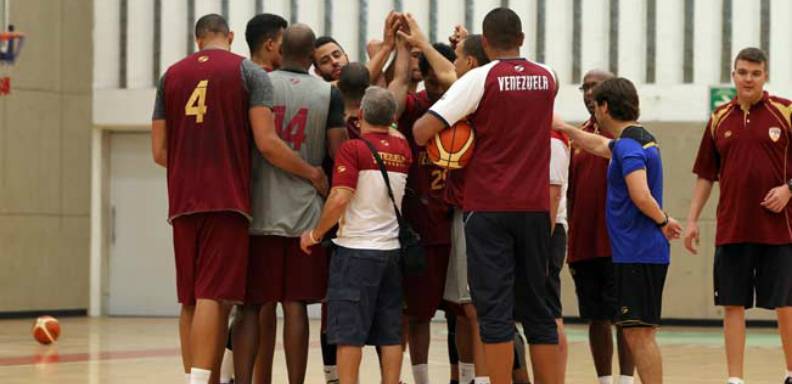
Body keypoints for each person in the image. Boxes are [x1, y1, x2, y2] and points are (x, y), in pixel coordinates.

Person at [151, 14, 325, 384]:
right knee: (214, 295)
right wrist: (311, 173)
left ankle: (196, 378)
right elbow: (267, 143)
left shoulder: (170, 75)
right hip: (227, 198)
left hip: (181, 201)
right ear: (229, 36)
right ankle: (201, 381)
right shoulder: (249, 73)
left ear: (197, 39)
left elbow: (159, 151)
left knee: (190, 299)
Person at [414, 8, 560, 384]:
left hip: (488, 208)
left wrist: (461, 131)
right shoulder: (549, 77)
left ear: (486, 41)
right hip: (533, 207)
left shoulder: (480, 78)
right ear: (522, 39)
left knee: (494, 311)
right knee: (539, 310)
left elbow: (421, 130)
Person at [234, 24, 346, 384]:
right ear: (312, 54)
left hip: (260, 208)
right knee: (295, 305)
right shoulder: (328, 95)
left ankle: (243, 378)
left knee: (251, 306)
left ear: (281, 50)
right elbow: (337, 152)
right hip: (305, 215)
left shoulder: (259, 83)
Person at [554, 77, 683, 384]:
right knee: (641, 332)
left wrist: (664, 221)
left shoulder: (629, 146)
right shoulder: (638, 138)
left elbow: (639, 194)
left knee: (639, 335)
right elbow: (597, 144)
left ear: (605, 107)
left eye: (596, 104)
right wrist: (564, 127)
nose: (593, 110)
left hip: (637, 253)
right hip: (641, 253)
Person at [683, 47, 792, 384]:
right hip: (732, 228)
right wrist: (691, 220)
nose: (748, 78)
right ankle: (735, 379)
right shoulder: (719, 118)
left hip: (779, 230)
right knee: (732, 305)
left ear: (765, 76)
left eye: (755, 73)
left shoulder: (785, 112)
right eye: (743, 72)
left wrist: (789, 188)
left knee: (786, 304)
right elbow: (705, 174)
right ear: (733, 75)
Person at [299, 86, 413, 384]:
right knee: (390, 331)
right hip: (391, 252)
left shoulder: (353, 149)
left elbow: (339, 197)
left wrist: (315, 233)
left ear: (360, 115)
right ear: (392, 119)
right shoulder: (403, 150)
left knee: (349, 333)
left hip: (355, 253)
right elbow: (395, 134)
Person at [391, 13, 457, 384]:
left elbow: (459, 79)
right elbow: (395, 96)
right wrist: (402, 51)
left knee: (462, 313)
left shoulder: (466, 108)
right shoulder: (414, 108)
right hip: (417, 230)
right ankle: (418, 379)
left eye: (439, 78)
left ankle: (461, 376)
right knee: (413, 314)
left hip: (456, 225)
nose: (435, 86)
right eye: (428, 79)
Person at [567, 69, 636, 384]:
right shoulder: (576, 137)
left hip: (619, 243)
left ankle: (624, 380)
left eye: (597, 87)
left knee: (625, 317)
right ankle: (604, 380)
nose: (590, 93)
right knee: (596, 317)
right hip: (585, 241)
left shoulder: (629, 136)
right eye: (586, 87)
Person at [443, 31, 491, 384]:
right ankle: (469, 375)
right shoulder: (485, 88)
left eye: (457, 57)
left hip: (477, 211)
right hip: (464, 210)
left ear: (471, 64)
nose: (453, 65)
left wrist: (420, 44)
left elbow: (449, 80)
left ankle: (485, 379)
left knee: (476, 308)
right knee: (462, 310)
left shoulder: (474, 95)